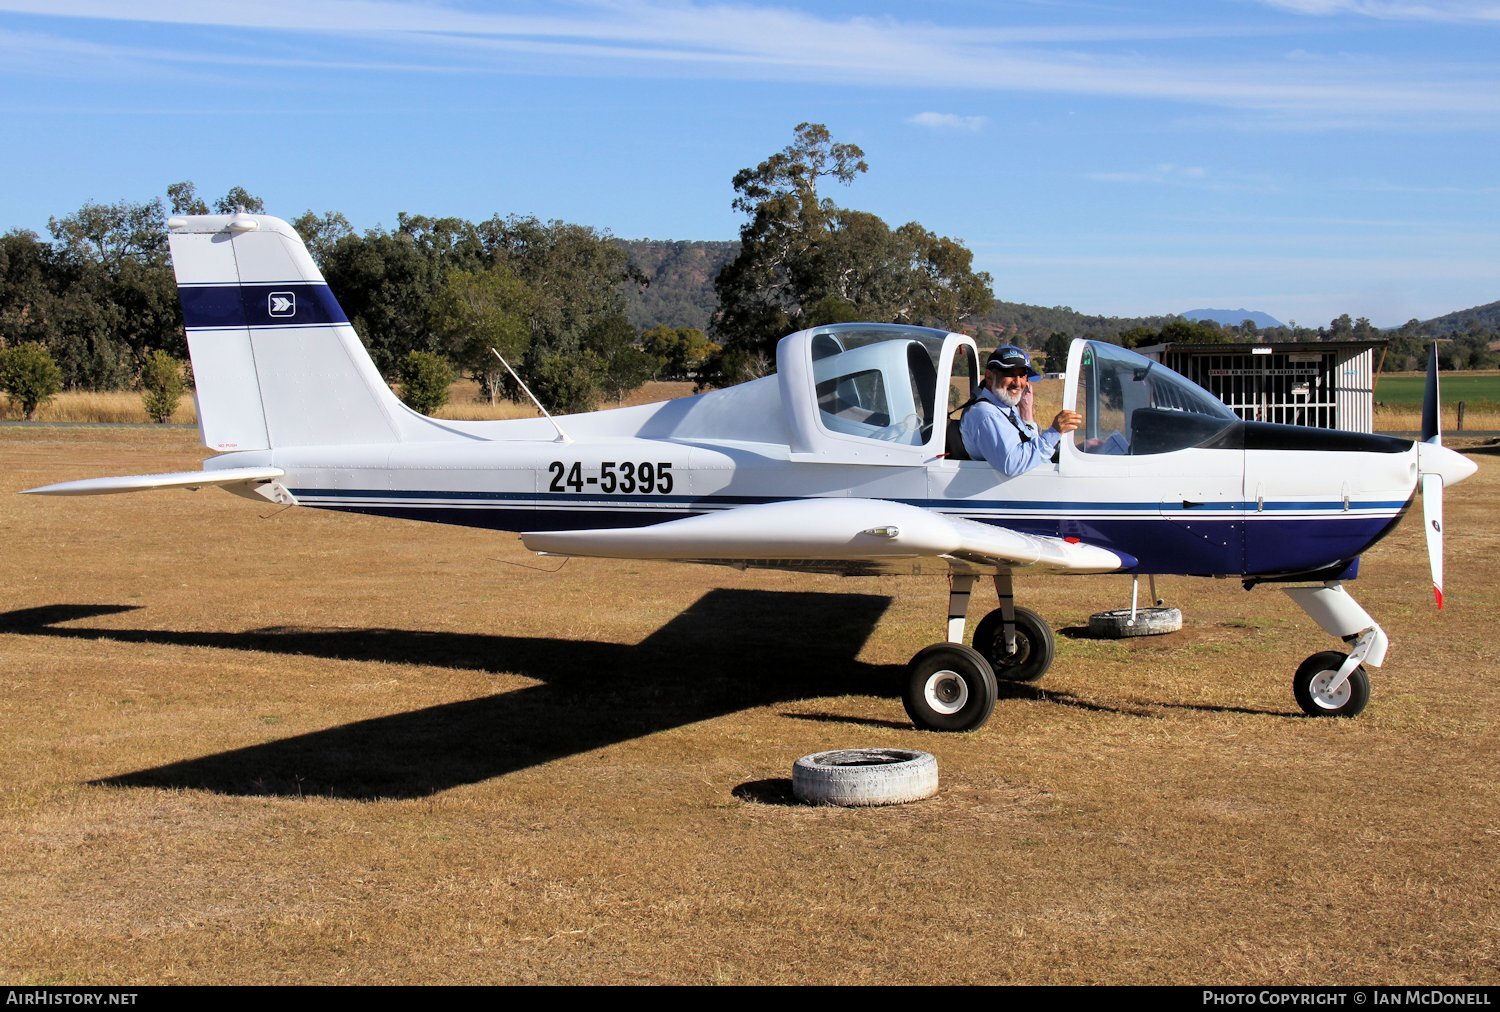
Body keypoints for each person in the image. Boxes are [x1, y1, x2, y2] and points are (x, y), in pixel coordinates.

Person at [960, 345, 1082, 477]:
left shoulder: (1006, 408)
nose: (1018, 383)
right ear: (989, 377)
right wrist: (1053, 432)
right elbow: (1012, 463)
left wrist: (1026, 412)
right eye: (1010, 374)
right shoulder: (986, 414)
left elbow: (1029, 445)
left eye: (1022, 375)